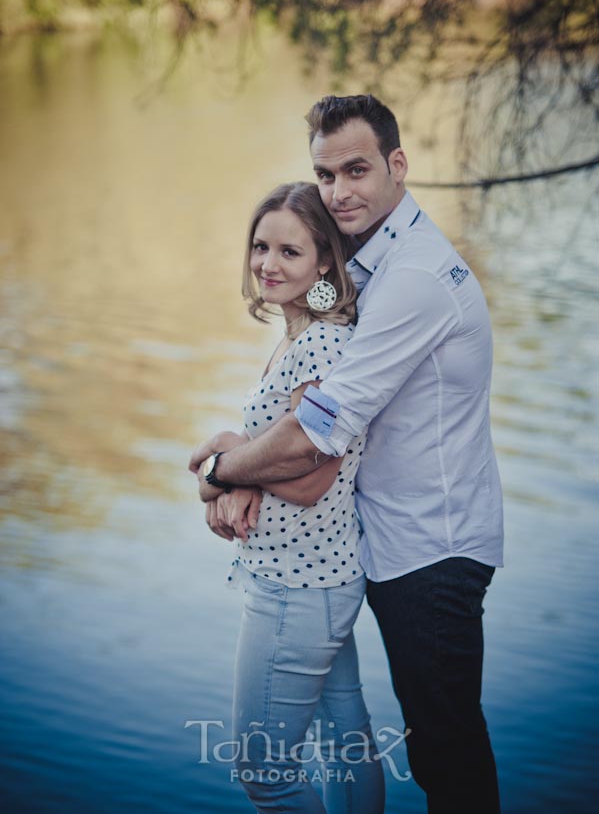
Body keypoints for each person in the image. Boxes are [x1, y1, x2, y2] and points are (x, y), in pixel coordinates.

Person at [191, 94, 504, 813]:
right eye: (325, 174)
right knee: (362, 743)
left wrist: (218, 473)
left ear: (398, 165)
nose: (338, 192)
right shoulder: (370, 267)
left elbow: (315, 442)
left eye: (356, 170)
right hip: (373, 545)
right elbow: (302, 429)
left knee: (443, 750)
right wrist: (245, 459)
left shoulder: (412, 280)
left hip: (432, 547)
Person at [199, 181, 385, 814]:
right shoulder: (304, 336)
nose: (267, 265)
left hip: (296, 586)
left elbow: (309, 478)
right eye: (260, 247)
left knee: (265, 773)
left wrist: (223, 469)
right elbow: (279, 448)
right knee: (345, 746)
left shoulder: (325, 345)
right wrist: (235, 464)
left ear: (325, 262)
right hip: (320, 577)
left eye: (289, 252)